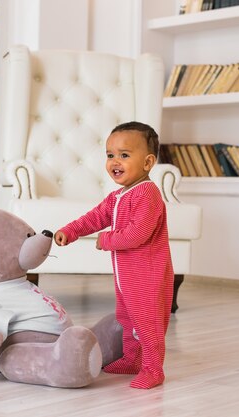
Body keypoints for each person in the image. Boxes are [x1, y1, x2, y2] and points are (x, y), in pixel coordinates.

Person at [54, 121, 174, 389]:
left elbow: (137, 234)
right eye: (110, 155)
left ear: (148, 162)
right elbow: (95, 217)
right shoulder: (117, 196)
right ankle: (132, 359)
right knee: (127, 318)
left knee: (147, 324)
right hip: (127, 278)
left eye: (124, 155)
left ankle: (153, 369)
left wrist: (107, 239)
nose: (114, 162)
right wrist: (70, 231)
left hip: (148, 277)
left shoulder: (148, 194)